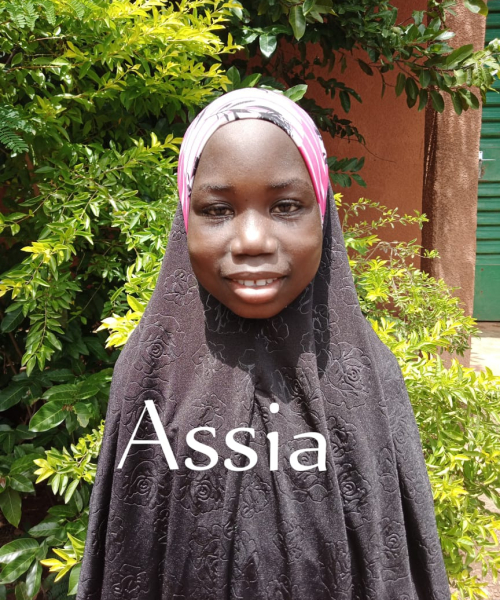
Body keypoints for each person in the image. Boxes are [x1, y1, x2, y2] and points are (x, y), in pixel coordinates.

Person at [75, 88, 451, 600]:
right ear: (185, 218)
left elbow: (391, 561)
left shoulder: (368, 381)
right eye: (218, 209)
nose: (252, 240)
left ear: (323, 214)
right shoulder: (149, 376)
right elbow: (128, 552)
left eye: (287, 206)